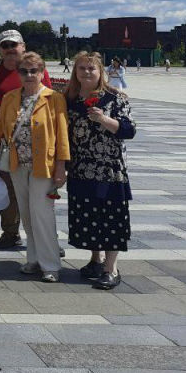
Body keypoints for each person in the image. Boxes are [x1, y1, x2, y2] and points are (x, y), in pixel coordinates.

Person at [0, 51, 68, 282]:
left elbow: (62, 135)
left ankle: (51, 264)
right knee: (26, 213)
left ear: (43, 72)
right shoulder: (10, 98)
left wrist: (62, 166)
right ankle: (33, 259)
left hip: (44, 164)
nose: (29, 75)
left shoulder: (54, 98)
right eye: (24, 71)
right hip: (17, 164)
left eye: (34, 70)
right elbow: (1, 130)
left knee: (42, 213)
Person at [65, 51, 135, 290]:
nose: (86, 72)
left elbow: (129, 130)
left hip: (109, 169)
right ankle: (95, 260)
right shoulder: (70, 99)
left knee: (112, 218)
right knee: (89, 217)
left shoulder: (115, 98)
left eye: (91, 69)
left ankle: (111, 268)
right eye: (82, 68)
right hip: (81, 168)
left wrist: (105, 120)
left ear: (100, 72)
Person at [0, 30, 53, 250]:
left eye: (14, 44)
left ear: (23, 45)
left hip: (36, 142)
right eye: (5, 46)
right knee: (7, 187)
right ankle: (10, 232)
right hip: (3, 141)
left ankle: (44, 238)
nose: (10, 49)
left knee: (38, 192)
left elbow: (50, 98)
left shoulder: (35, 69)